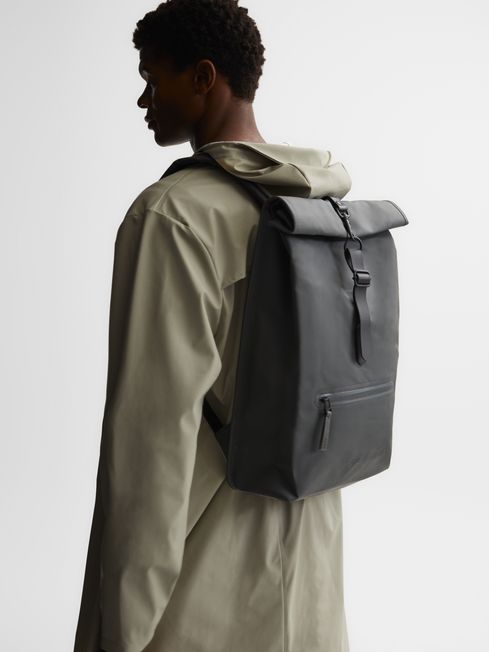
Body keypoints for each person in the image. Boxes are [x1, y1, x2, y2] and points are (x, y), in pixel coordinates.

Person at [73, 1, 352, 651]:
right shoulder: (319, 205)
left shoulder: (172, 216)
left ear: (203, 77)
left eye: (153, 78)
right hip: (310, 560)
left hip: (202, 579)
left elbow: (150, 439)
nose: (144, 100)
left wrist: (123, 625)